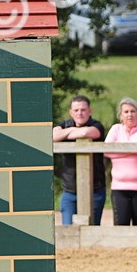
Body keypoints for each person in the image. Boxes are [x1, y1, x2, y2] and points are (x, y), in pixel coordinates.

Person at [53, 95, 107, 226]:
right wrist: (72, 129)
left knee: (92, 230)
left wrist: (66, 132)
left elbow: (86, 133)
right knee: (67, 229)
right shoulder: (65, 125)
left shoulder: (97, 125)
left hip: (95, 190)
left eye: (83, 110)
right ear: (71, 112)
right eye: (76, 110)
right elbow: (53, 136)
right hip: (69, 190)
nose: (80, 113)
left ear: (90, 111)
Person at [103, 98, 137, 225]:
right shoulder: (116, 129)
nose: (129, 114)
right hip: (119, 186)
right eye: (126, 112)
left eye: (133, 111)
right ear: (121, 115)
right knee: (120, 224)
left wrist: (119, 152)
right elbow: (106, 151)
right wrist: (133, 151)